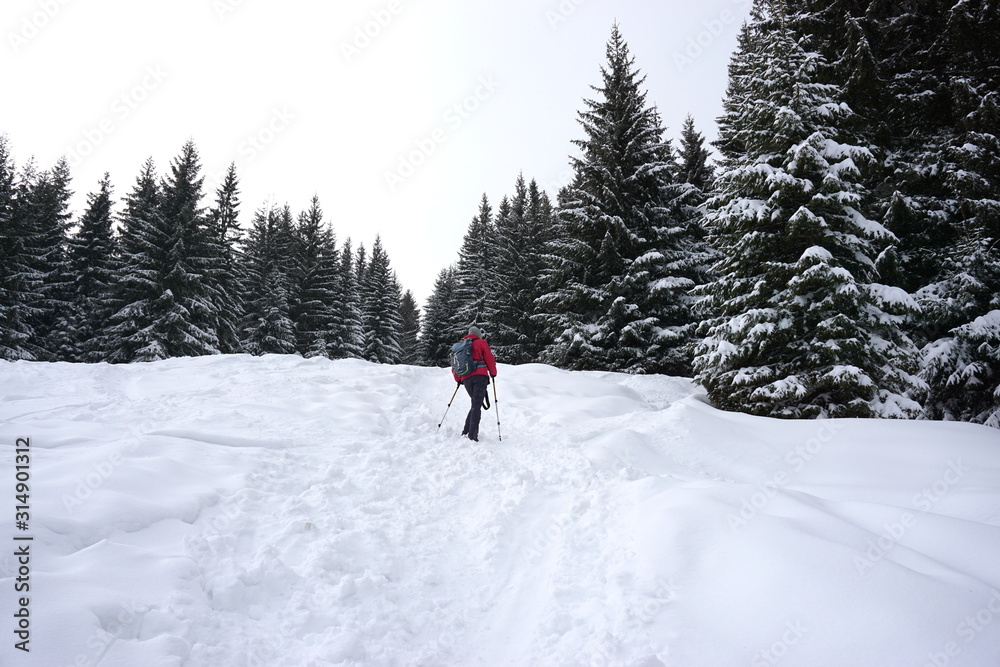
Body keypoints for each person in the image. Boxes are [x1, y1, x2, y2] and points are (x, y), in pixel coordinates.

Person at [452, 325, 497, 442]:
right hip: (480, 377)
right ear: (478, 335)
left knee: (475, 404)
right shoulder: (481, 343)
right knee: (476, 405)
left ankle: (466, 431)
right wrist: (493, 373)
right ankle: (472, 435)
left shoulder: (461, 346)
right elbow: (489, 358)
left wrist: (458, 379)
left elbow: (455, 364)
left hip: (466, 378)